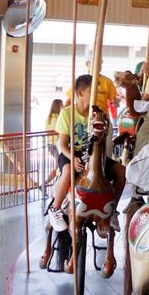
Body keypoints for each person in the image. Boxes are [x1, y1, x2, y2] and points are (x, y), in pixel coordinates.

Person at [48, 75, 97, 231]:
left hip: (89, 154)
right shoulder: (67, 113)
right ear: (81, 93)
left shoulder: (95, 114)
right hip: (70, 153)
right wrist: (73, 158)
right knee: (68, 170)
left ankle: (111, 209)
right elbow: (62, 145)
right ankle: (55, 208)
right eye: (92, 91)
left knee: (119, 171)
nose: (96, 95)